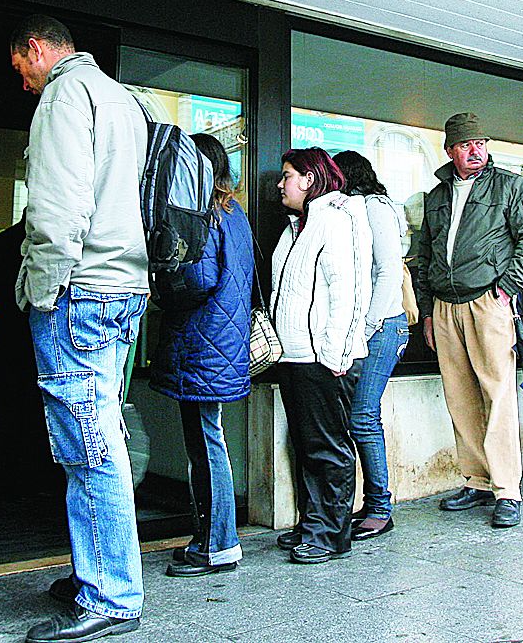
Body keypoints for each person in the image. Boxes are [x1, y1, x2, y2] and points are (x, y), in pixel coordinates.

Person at [10, 15, 150, 643]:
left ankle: (111, 594)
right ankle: (100, 572)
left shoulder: (65, 95)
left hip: (80, 290)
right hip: (122, 287)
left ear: (36, 49)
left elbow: (58, 208)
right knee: (104, 436)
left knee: (87, 449)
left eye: (21, 69)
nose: (24, 84)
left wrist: (41, 293)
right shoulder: (125, 99)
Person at [417, 113, 523, 529]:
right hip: (444, 305)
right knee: (460, 397)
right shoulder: (437, 195)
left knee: (499, 394)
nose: (475, 151)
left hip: (488, 301)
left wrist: (506, 288)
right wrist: (425, 311)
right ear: (450, 150)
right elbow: (424, 254)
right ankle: (476, 480)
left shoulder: (509, 185)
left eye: (480, 143)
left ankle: (507, 488)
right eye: (465, 145)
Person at [149, 134, 251, 577]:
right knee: (208, 438)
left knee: (206, 442)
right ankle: (211, 538)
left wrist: (161, 284)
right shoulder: (235, 213)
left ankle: (218, 545)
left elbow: (200, 279)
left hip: (203, 342)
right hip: (216, 342)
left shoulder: (206, 214)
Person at [270, 147, 370, 563]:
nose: (280, 183)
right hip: (294, 355)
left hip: (324, 358)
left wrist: (337, 353)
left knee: (328, 447)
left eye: (288, 175)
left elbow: (348, 290)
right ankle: (311, 523)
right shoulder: (299, 225)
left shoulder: (337, 216)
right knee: (306, 446)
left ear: (309, 180)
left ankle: (331, 534)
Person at [332, 150, 410, 540]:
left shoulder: (376, 207)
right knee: (356, 418)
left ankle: (380, 508)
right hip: (365, 329)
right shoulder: (351, 208)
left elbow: (388, 270)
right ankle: (371, 503)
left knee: (362, 417)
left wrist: (367, 325)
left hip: (383, 328)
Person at [0, 216, 59, 497]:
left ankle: (7, 472)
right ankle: (43, 474)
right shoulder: (51, 241)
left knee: (9, 405)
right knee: (42, 409)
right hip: (46, 338)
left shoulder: (3, 240)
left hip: (10, 337)